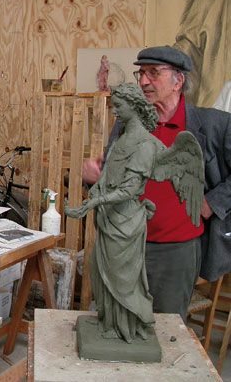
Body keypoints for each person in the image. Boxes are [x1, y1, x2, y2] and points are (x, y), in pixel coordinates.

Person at [83, 46, 231, 321]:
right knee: (119, 323)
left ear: (178, 80)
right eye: (141, 73)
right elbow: (113, 176)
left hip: (176, 252)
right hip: (126, 244)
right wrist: (94, 178)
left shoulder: (212, 125)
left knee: (164, 328)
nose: (143, 81)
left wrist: (213, 203)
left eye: (154, 73)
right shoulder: (128, 123)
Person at [66, 83, 160, 343]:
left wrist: (97, 202)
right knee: (98, 271)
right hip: (110, 219)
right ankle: (108, 322)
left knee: (122, 280)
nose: (115, 110)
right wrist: (95, 192)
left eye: (119, 105)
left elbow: (130, 190)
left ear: (135, 105)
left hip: (126, 222)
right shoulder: (121, 136)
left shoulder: (145, 145)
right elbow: (108, 173)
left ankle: (125, 328)